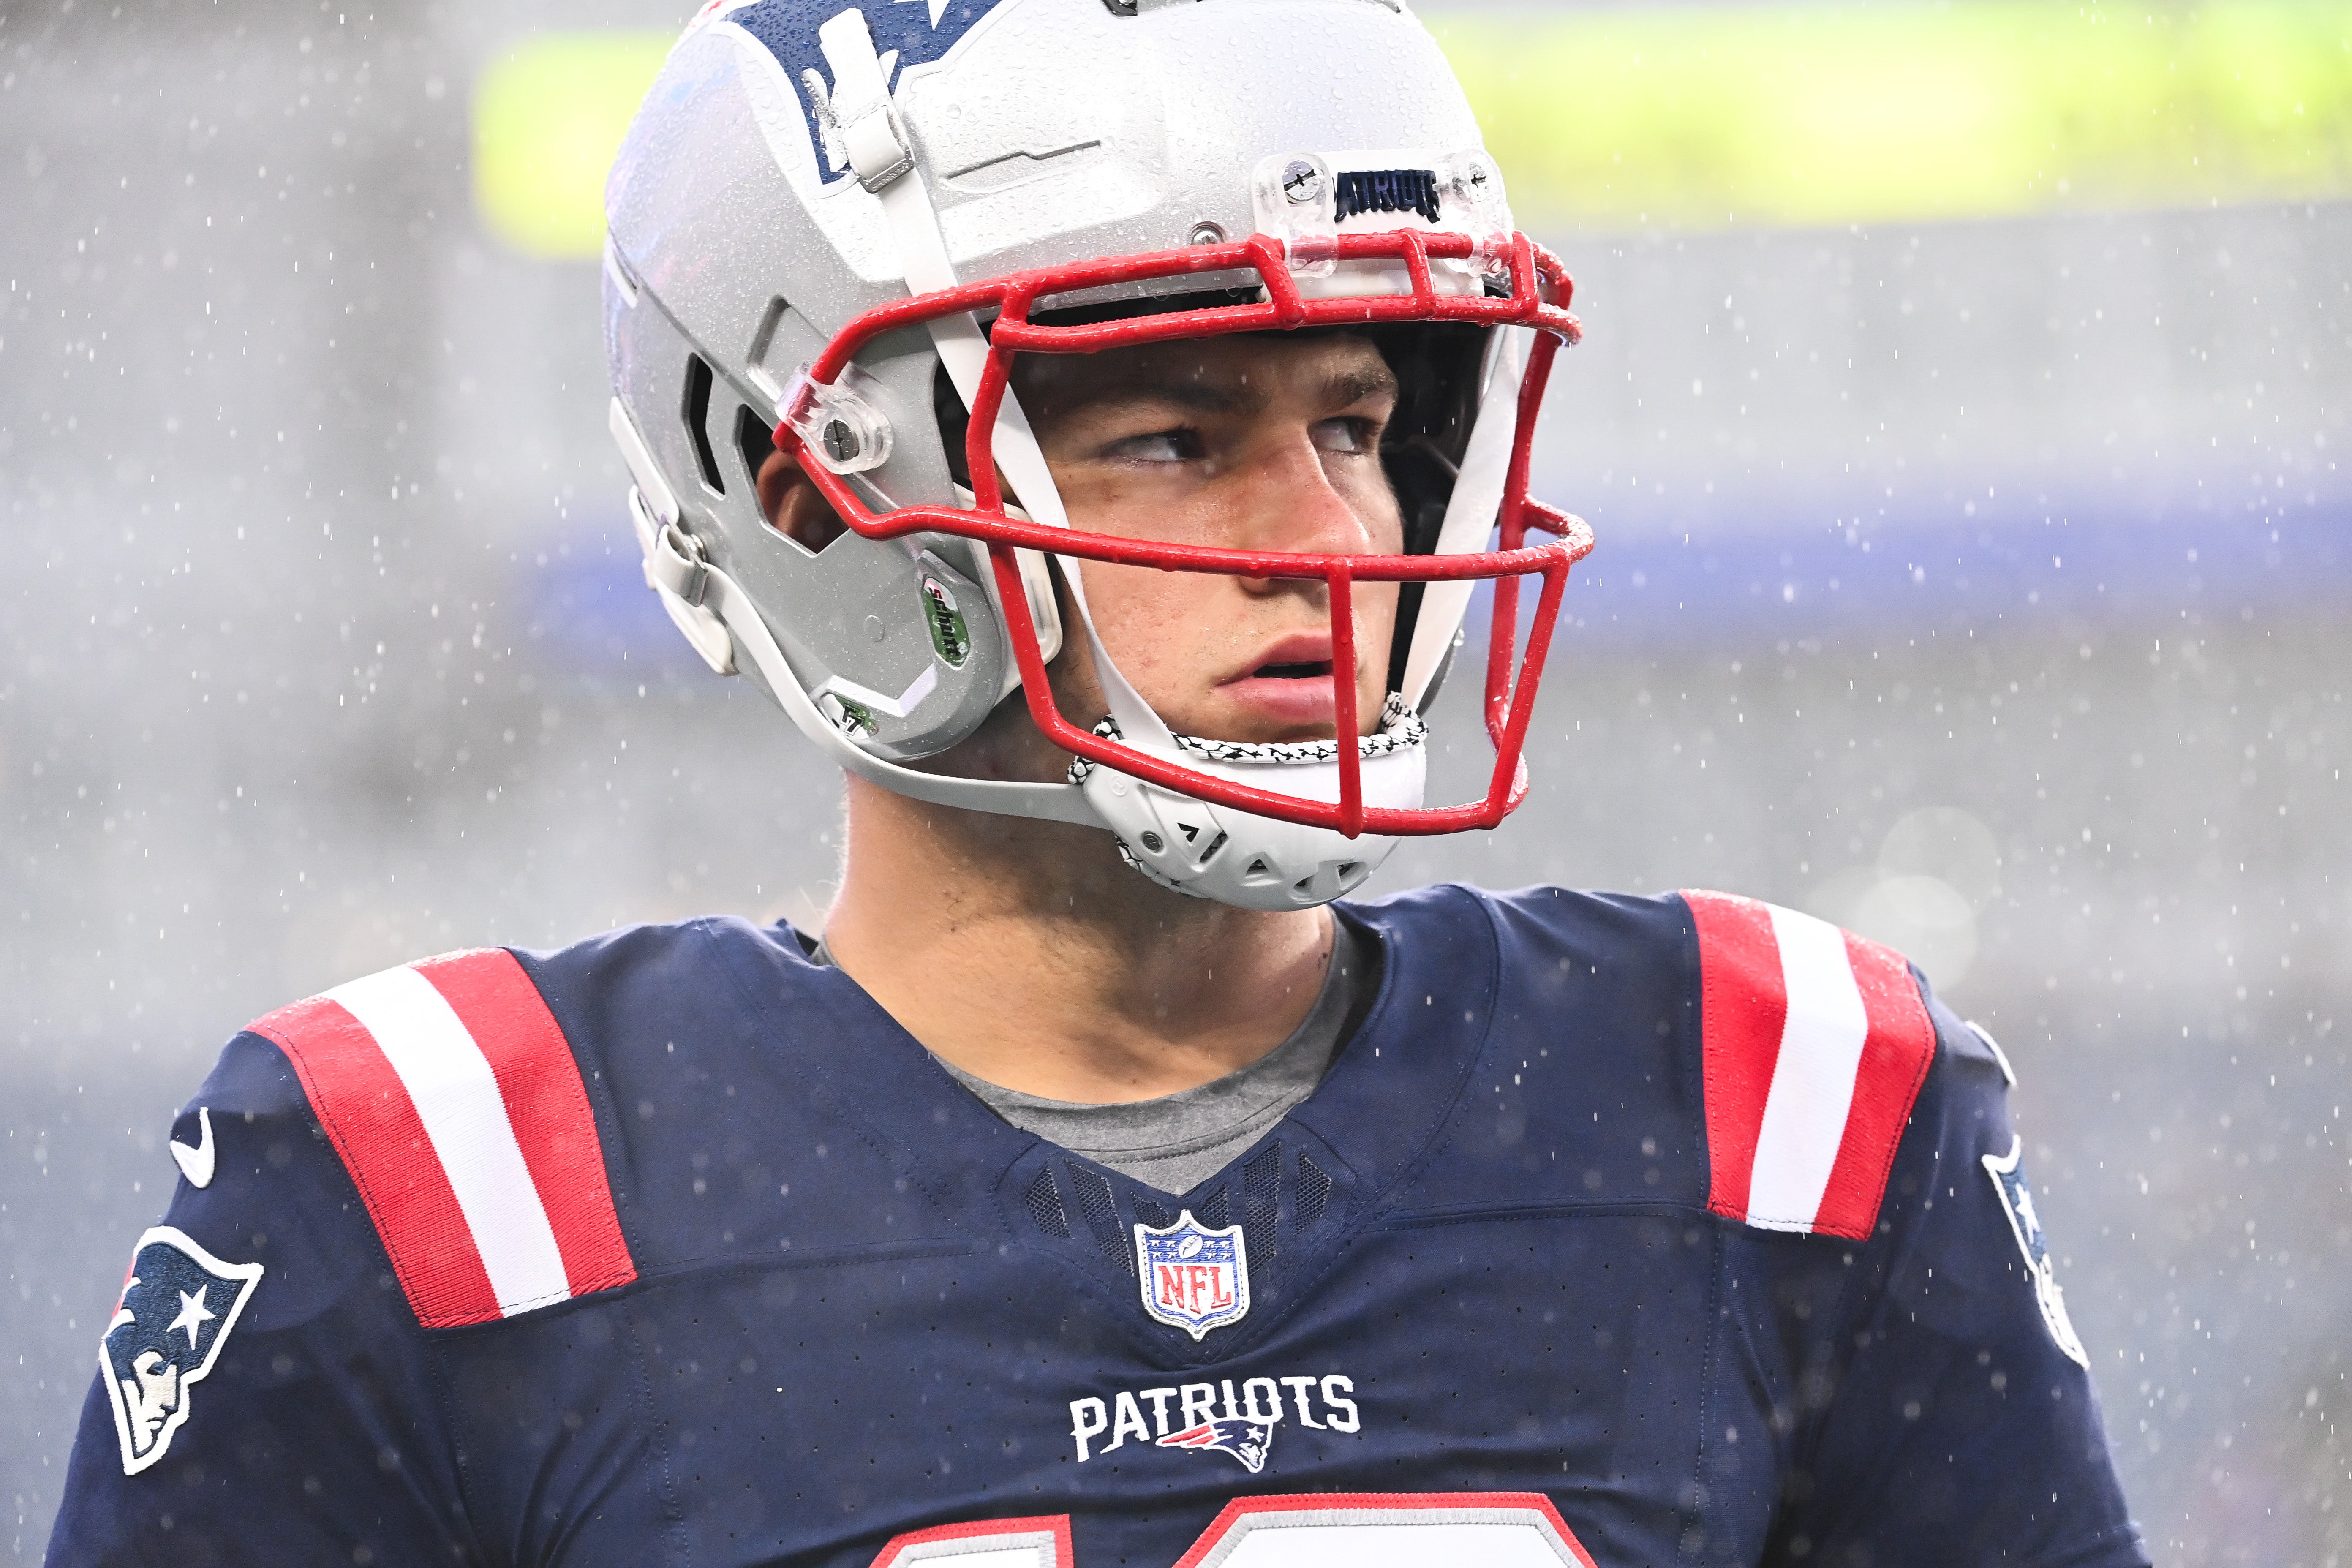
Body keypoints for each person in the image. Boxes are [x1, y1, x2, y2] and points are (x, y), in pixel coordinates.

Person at [46, 0, 2150, 1563]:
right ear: (822, 495)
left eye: (1353, 419)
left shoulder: (1784, 1111)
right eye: (1173, 436)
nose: (1337, 544)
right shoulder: (432, 1192)